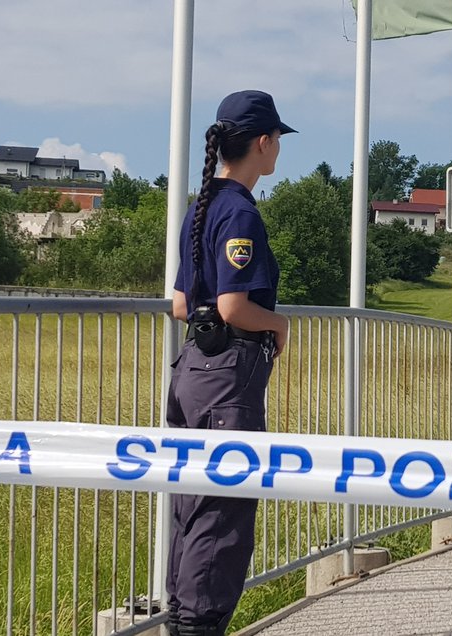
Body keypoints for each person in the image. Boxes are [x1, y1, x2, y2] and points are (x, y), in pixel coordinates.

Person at [164, 89, 295, 636]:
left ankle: (182, 616)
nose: (278, 151)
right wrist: (280, 324)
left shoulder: (201, 207)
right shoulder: (239, 210)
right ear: (263, 143)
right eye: (277, 141)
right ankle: (199, 625)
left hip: (192, 370)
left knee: (193, 504)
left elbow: (179, 304)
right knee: (225, 507)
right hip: (228, 379)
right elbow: (233, 305)